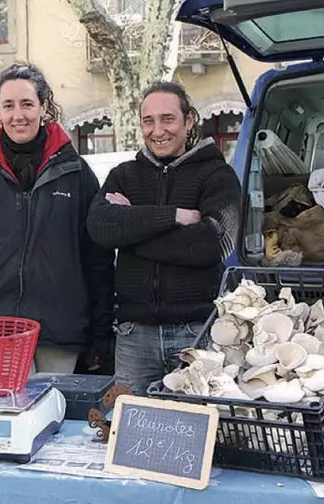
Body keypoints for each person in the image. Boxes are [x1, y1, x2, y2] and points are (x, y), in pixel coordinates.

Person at [0, 61, 115, 374]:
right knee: (3, 420)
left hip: (60, 336)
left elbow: (97, 262)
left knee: (56, 419)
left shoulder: (76, 174)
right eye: (8, 105)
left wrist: (100, 334)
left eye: (27, 104)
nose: (18, 115)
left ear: (43, 107)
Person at [86, 81, 241, 395]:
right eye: (148, 120)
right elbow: (100, 227)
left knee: (199, 431)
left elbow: (214, 243)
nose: (158, 130)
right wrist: (174, 216)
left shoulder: (217, 176)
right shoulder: (123, 175)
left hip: (196, 333)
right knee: (129, 432)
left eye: (168, 119)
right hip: (133, 336)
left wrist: (131, 231)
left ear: (188, 121)